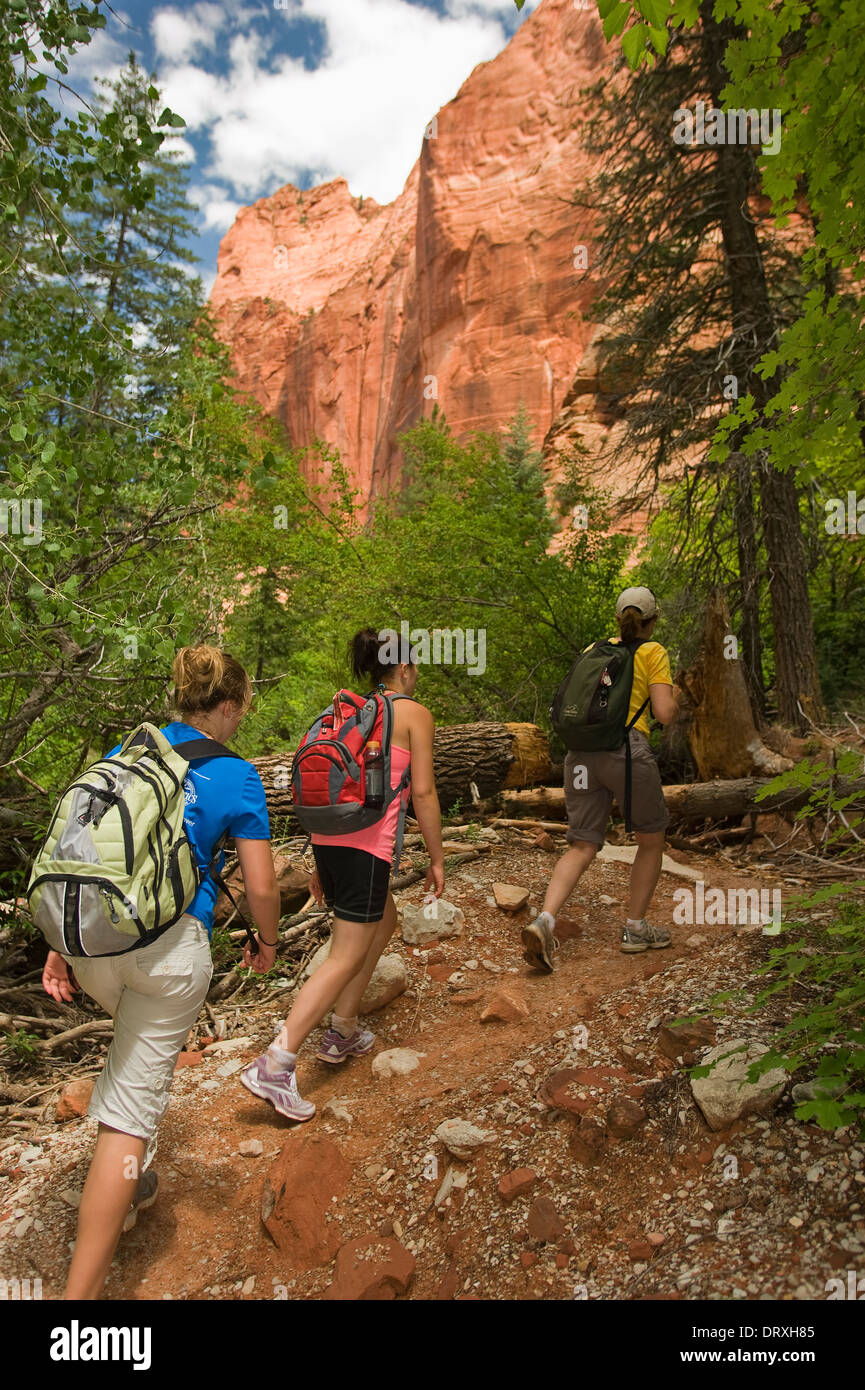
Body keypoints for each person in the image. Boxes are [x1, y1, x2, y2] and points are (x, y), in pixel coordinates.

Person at [41, 645, 277, 1299]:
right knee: (128, 1119)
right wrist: (268, 940)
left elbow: (84, 848)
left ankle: (132, 1171)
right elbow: (260, 884)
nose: (238, 724)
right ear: (227, 708)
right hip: (167, 956)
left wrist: (60, 944)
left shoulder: (129, 751)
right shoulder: (236, 773)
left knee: (136, 1043)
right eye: (239, 713)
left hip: (90, 945)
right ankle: (76, 1311)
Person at [241, 627, 445, 1120]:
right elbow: (423, 794)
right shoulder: (414, 715)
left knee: (386, 918)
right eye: (414, 667)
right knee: (344, 955)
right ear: (403, 668)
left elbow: (326, 790)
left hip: (331, 842)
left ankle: (344, 1028)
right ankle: (277, 1062)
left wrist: (318, 861)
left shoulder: (347, 713)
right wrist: (437, 859)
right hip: (366, 849)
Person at [521, 586, 680, 970]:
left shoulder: (593, 650)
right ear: (652, 621)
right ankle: (635, 928)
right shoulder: (652, 652)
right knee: (650, 839)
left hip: (579, 756)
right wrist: (674, 694)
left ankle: (545, 921)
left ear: (617, 619)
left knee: (581, 843)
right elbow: (664, 714)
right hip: (625, 752)